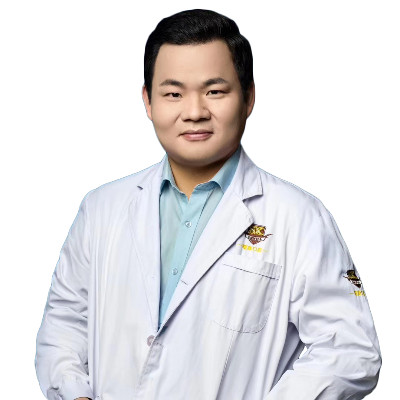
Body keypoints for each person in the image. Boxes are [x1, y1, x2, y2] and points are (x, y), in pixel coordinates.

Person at [35, 9, 382, 400]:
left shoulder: (298, 218)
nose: (195, 112)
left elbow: (350, 351)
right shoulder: (101, 209)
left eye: (215, 92)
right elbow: (64, 325)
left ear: (248, 97)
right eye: (173, 93)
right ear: (148, 101)